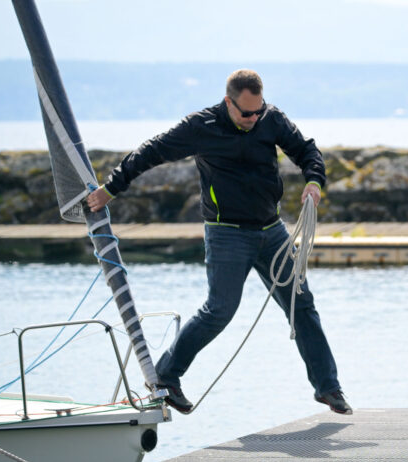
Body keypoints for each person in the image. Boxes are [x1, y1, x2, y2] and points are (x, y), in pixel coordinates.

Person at [86, 69, 351, 415]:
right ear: (229, 102)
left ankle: (328, 388)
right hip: (227, 233)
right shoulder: (202, 126)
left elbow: (306, 151)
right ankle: (166, 376)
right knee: (219, 311)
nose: (253, 119)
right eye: (246, 113)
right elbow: (151, 151)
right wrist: (111, 189)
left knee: (302, 306)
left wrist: (314, 181)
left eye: (258, 111)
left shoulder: (271, 119)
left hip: (272, 232)